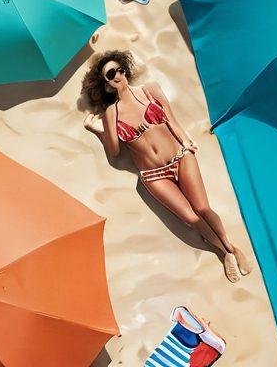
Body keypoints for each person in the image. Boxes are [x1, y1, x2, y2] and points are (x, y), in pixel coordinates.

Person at [81, 50, 253, 282]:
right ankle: (227, 251)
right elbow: (114, 151)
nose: (118, 75)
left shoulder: (149, 91)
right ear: (106, 83)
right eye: (111, 73)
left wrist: (186, 141)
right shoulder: (112, 113)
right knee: (190, 219)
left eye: (120, 69)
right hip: (153, 175)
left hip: (180, 157)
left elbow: (171, 119)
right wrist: (96, 132)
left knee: (202, 209)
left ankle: (230, 251)